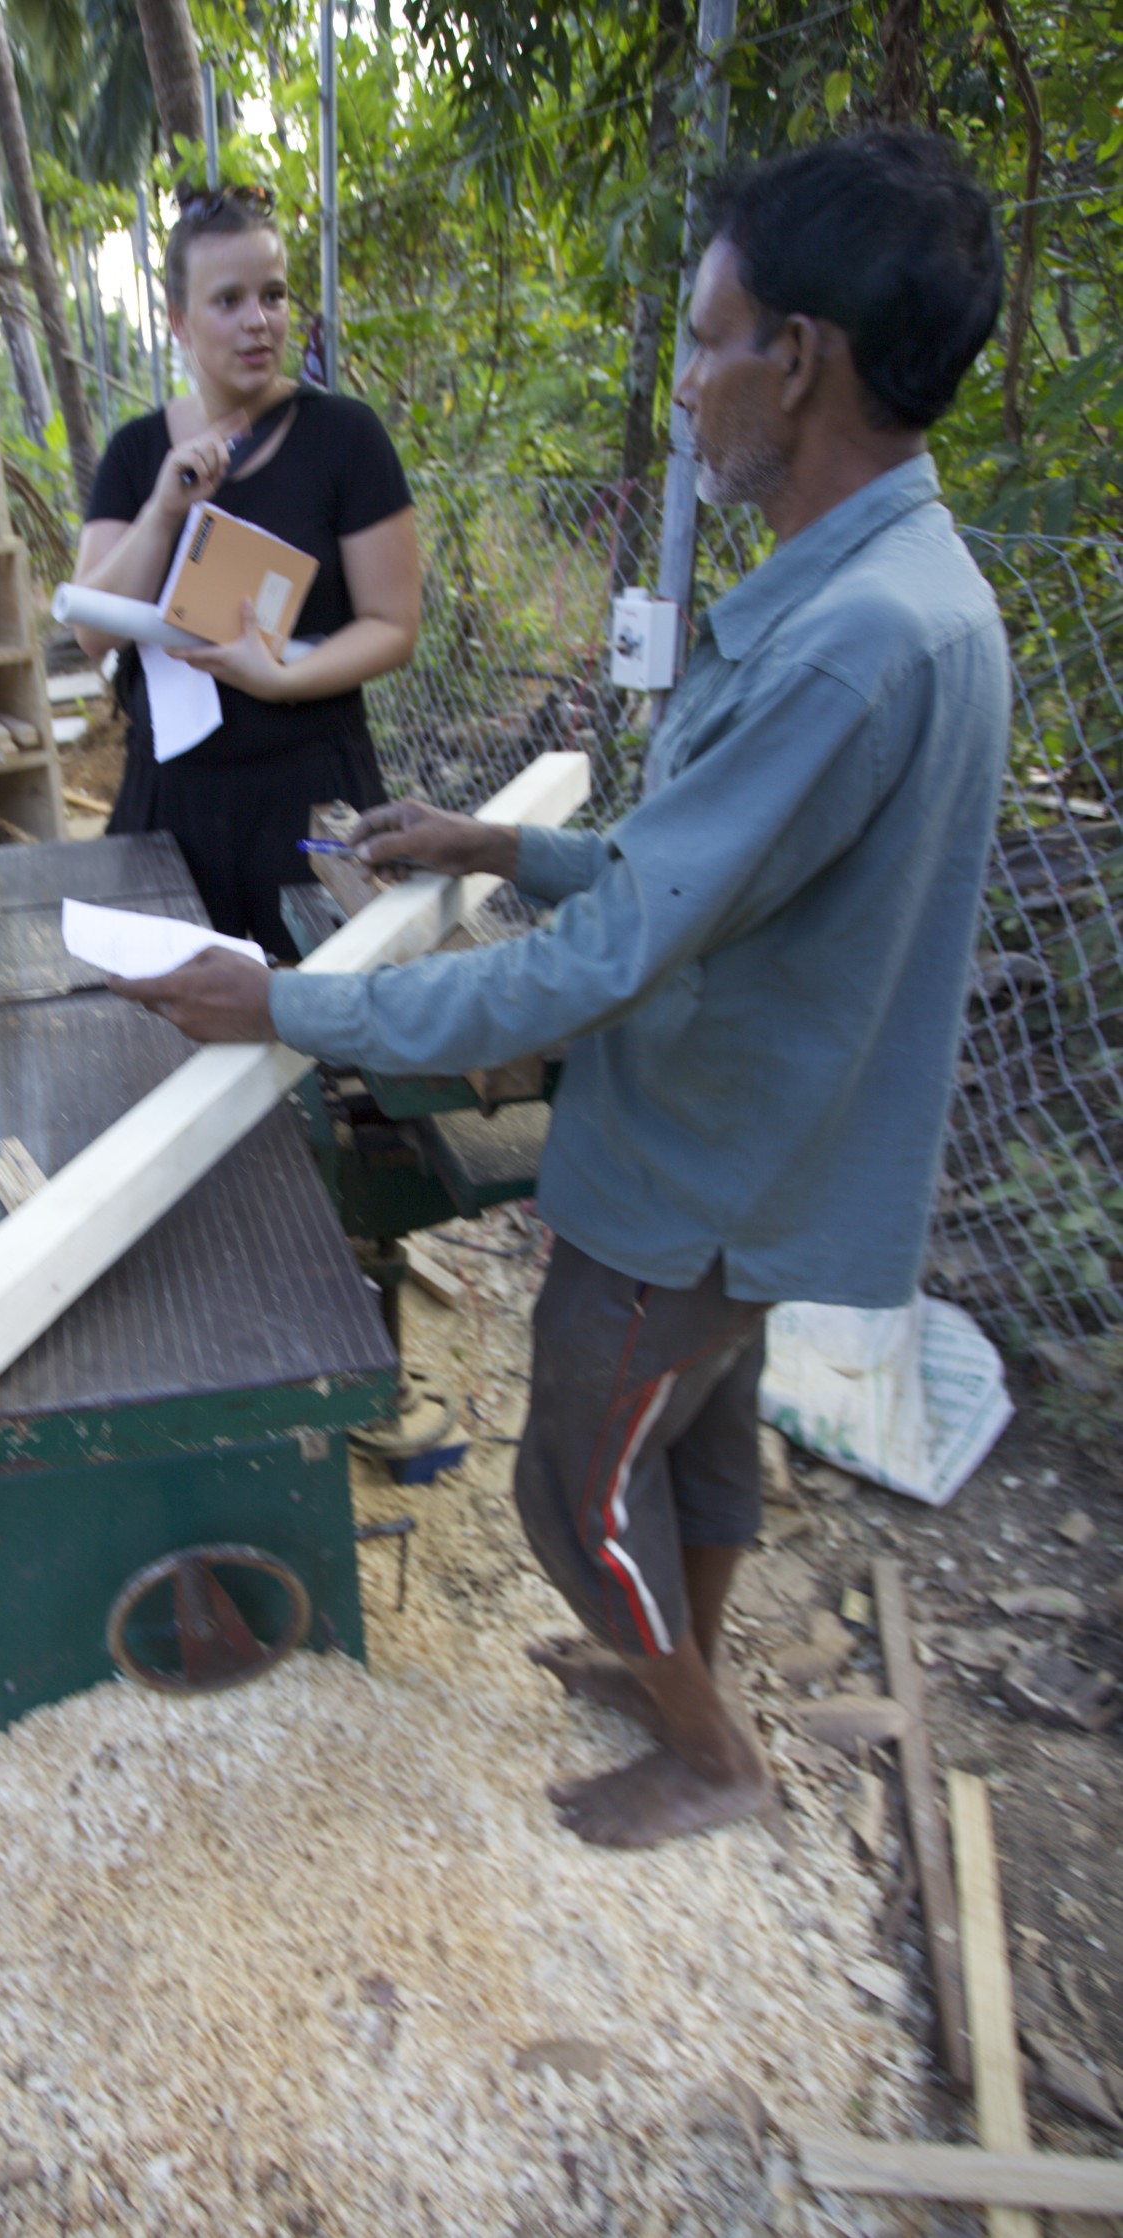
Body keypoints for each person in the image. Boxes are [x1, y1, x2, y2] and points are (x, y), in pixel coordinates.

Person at [106, 133, 1009, 1851]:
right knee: (702, 1433)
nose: (684, 389)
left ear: (797, 358)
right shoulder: (907, 593)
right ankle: (679, 1661)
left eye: (703, 341)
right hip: (770, 1142)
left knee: (566, 1479)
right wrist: (500, 847)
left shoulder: (845, 644)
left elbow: (604, 969)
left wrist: (285, 1007)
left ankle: (707, 1751)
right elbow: (715, 882)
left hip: (694, 1161)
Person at [71, 183, 422, 958]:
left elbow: (394, 625)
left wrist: (281, 679)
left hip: (312, 793)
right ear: (179, 322)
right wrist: (166, 508)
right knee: (163, 1036)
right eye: (227, 301)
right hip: (170, 800)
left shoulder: (345, 439)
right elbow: (92, 630)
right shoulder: (137, 454)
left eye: (273, 294)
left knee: (328, 1033)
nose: (258, 321)